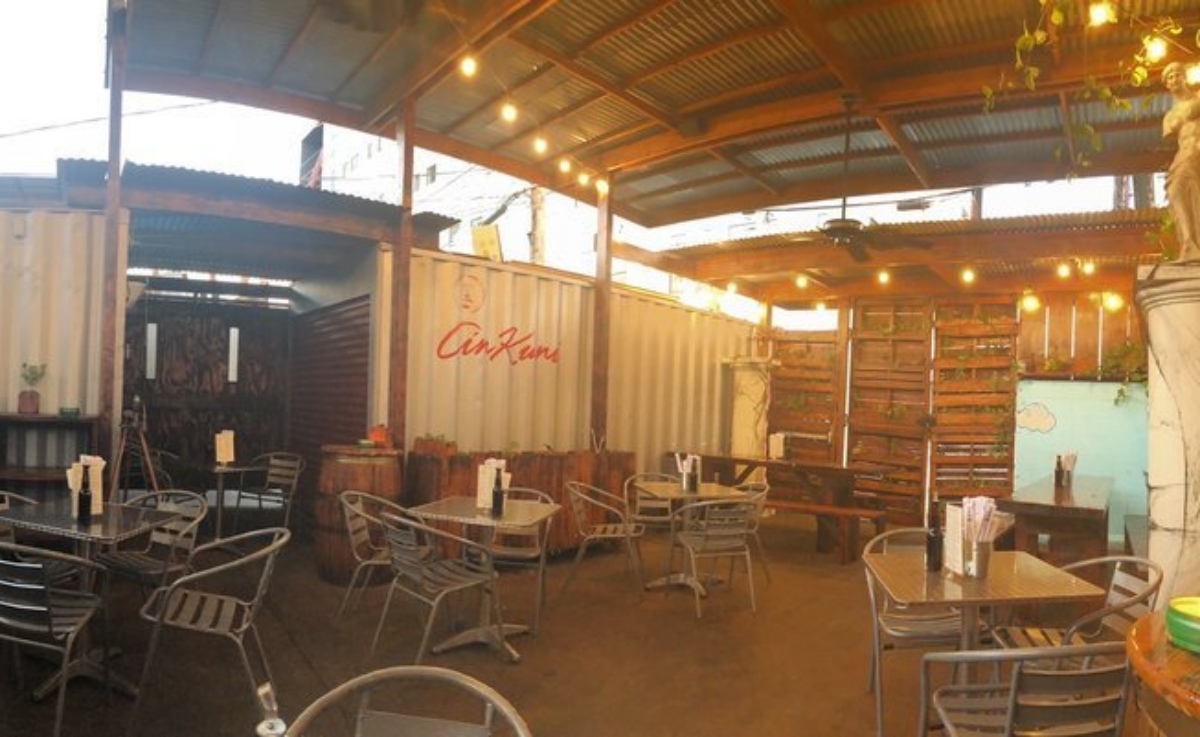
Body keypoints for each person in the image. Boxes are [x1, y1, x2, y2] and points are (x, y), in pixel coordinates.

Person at [1162, 61, 1200, 263]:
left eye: (1177, 74)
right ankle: (1189, 243)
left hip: (1197, 150)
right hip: (1185, 153)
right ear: (1167, 85)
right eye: (1170, 77)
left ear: (1185, 77)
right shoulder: (1169, 117)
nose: (1174, 79)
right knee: (1175, 191)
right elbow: (1171, 130)